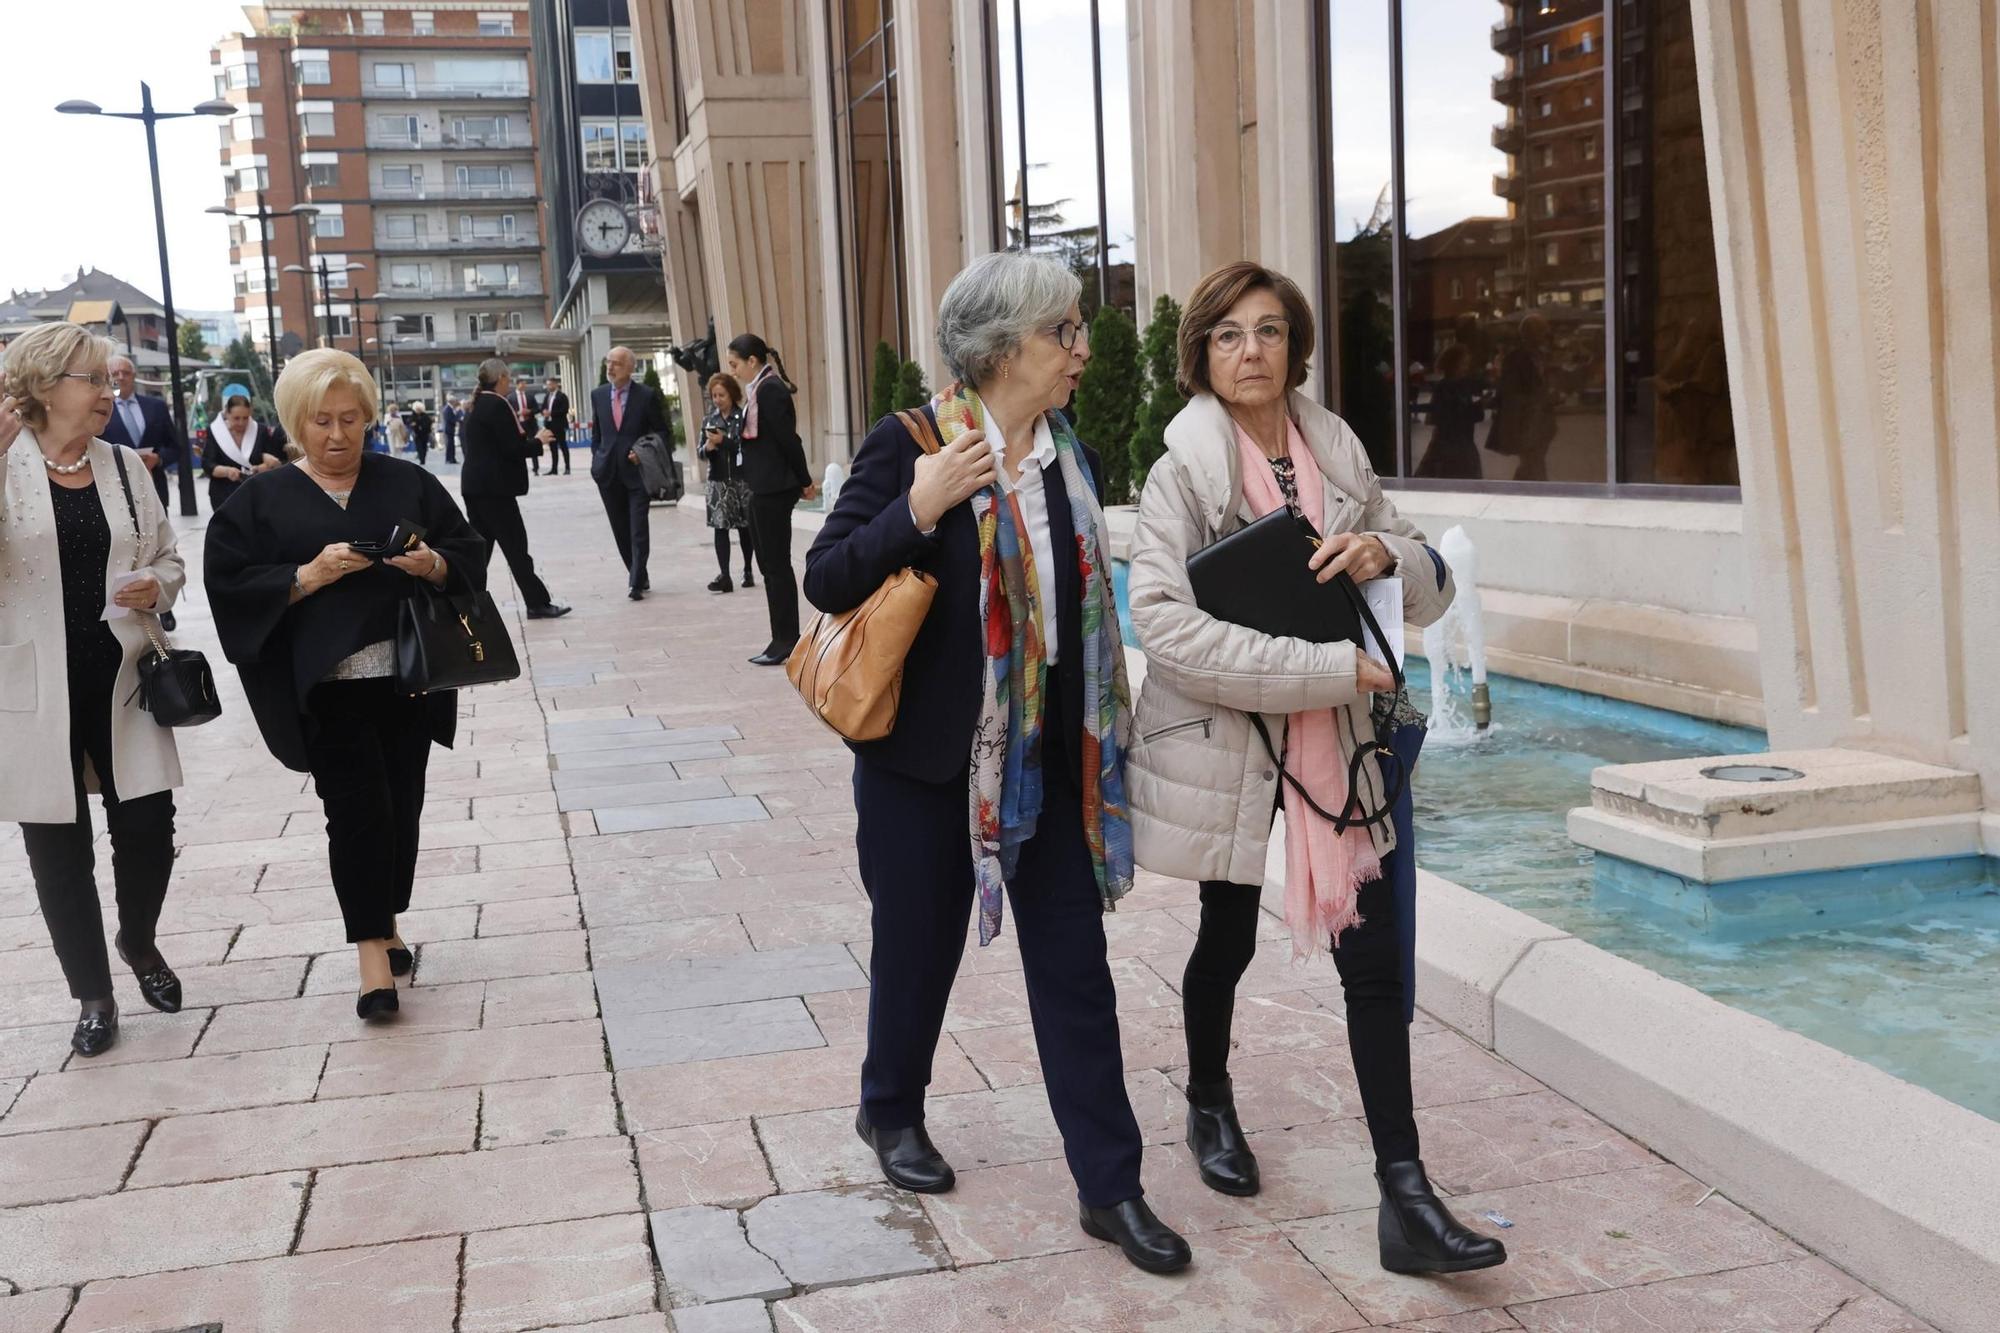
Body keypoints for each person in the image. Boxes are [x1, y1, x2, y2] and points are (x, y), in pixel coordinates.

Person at [804, 252, 1190, 1275]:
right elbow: (827, 574)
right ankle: (888, 1108)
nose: (1080, 350)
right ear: (1002, 348)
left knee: (1074, 973)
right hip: (924, 766)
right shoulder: (912, 446)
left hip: (1047, 768)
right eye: (1064, 331)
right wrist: (919, 506)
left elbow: (1074, 624)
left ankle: (1110, 1188)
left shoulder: (1075, 458)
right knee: (916, 946)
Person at [1123, 261, 1505, 1277]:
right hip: (1231, 743)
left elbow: (1430, 575)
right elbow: (1163, 627)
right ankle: (1207, 1097)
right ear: (1200, 353)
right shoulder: (1181, 475)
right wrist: (1324, 666)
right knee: (1224, 936)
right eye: (1228, 335)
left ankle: (1405, 1197)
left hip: (1350, 742)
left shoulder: (1334, 451)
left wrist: (1384, 553)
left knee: (1374, 969)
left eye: (1269, 332)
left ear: (1295, 347)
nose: (1251, 351)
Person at [204, 349, 491, 1021]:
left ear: (367, 416)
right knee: (359, 814)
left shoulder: (407, 482)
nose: (337, 436)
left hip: (409, 682)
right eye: (321, 422)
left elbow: (466, 551)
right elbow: (228, 580)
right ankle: (371, 961)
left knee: (402, 809)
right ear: (296, 423)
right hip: (326, 690)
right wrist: (303, 578)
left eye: (350, 419)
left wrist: (435, 564)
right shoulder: (261, 501)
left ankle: (385, 919)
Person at [1, 323, 188, 1057]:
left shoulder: (122, 466)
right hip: (35, 686)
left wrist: (157, 581)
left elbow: (169, 556)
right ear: (45, 387)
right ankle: (93, 993)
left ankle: (137, 940)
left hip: (125, 677)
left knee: (149, 833)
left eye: (110, 378)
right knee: (58, 851)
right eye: (91, 379)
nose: (108, 391)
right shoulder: (7, 464)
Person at [461, 358, 571, 620]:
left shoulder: (476, 404)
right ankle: (537, 603)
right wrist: (538, 441)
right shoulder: (497, 404)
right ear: (500, 379)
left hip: (476, 487)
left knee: (480, 551)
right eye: (508, 378)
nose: (509, 383)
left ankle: (463, 604)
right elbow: (511, 449)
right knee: (516, 548)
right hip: (495, 491)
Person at [730, 334, 816, 664]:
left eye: (736, 364)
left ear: (753, 361)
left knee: (776, 566)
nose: (734, 371)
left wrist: (805, 480)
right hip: (762, 487)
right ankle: (779, 638)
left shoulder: (770, 390)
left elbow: (788, 440)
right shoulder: (759, 390)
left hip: (774, 489)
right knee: (768, 565)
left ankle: (786, 640)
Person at [589, 346, 669, 601]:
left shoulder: (646, 395)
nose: (610, 368)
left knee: (637, 529)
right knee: (620, 530)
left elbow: (662, 432)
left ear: (631, 368)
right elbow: (598, 435)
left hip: (637, 473)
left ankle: (635, 582)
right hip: (608, 474)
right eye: (608, 362)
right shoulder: (598, 395)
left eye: (617, 364)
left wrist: (642, 451)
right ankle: (638, 572)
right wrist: (597, 459)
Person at [698, 372, 754, 594]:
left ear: (731, 394)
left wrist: (725, 441)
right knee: (720, 528)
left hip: (740, 480)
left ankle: (748, 569)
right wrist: (708, 448)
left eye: (721, 394)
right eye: (714, 395)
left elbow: (745, 447)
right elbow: (700, 452)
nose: (718, 399)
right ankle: (725, 574)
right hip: (717, 482)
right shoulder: (709, 420)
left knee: (744, 527)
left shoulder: (743, 418)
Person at [100, 354, 181, 508]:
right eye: (115, 373)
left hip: (153, 486)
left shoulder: (156, 407)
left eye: (126, 373)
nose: (121, 377)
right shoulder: (100, 409)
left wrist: (158, 459)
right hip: (114, 488)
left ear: (134, 376)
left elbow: (175, 446)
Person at [1487, 313, 1556, 481]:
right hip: (1526, 420)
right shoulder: (1516, 358)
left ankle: (1527, 494)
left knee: (1534, 462)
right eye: (1542, 331)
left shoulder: (1540, 356)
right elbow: (1510, 392)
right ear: (1530, 334)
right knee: (1532, 462)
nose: (1545, 335)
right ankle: (1527, 494)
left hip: (1540, 420)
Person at [204, 385, 290, 511]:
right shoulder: (216, 432)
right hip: (224, 494)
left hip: (256, 493)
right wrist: (227, 471)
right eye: (236, 418)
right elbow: (208, 464)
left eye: (245, 418)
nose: (241, 423)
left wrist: (260, 468)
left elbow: (273, 461)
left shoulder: (259, 431)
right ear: (227, 414)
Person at [1414, 343, 1484, 480]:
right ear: (1453, 364)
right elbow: (1453, 415)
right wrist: (1476, 408)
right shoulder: (1447, 388)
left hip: (1457, 443)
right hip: (1453, 445)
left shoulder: (1458, 386)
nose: (1466, 368)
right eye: (1463, 364)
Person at [510, 377, 541, 475]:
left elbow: (537, 409)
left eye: (525, 384)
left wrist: (530, 411)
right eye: (522, 384)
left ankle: (535, 468)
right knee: (518, 446)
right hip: (518, 425)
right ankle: (519, 468)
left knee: (533, 443)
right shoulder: (510, 397)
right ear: (517, 384)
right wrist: (517, 413)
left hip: (530, 424)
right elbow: (508, 411)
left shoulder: (530, 396)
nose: (524, 386)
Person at [542, 376, 571, 476]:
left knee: (563, 446)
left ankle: (567, 468)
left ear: (555, 384)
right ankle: (554, 469)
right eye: (547, 384)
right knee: (552, 448)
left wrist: (551, 413)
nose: (548, 386)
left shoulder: (562, 396)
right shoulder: (547, 396)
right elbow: (543, 407)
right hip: (549, 425)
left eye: (550, 384)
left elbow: (564, 410)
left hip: (559, 425)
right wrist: (544, 412)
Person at [407, 400, 434, 468]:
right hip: (417, 434)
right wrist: (414, 425)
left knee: (424, 447)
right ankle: (421, 459)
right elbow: (410, 423)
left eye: (419, 409)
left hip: (424, 434)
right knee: (419, 447)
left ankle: (423, 459)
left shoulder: (425, 415)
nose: (418, 410)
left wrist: (419, 425)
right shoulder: (413, 416)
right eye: (417, 409)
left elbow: (428, 423)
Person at [442, 395, 463, 464]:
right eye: (454, 401)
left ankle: (452, 459)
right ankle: (449, 459)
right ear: (451, 401)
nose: (455, 402)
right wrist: (458, 419)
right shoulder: (447, 409)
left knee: (451, 445)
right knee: (449, 445)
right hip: (449, 429)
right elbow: (450, 419)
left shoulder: (450, 408)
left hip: (450, 429)